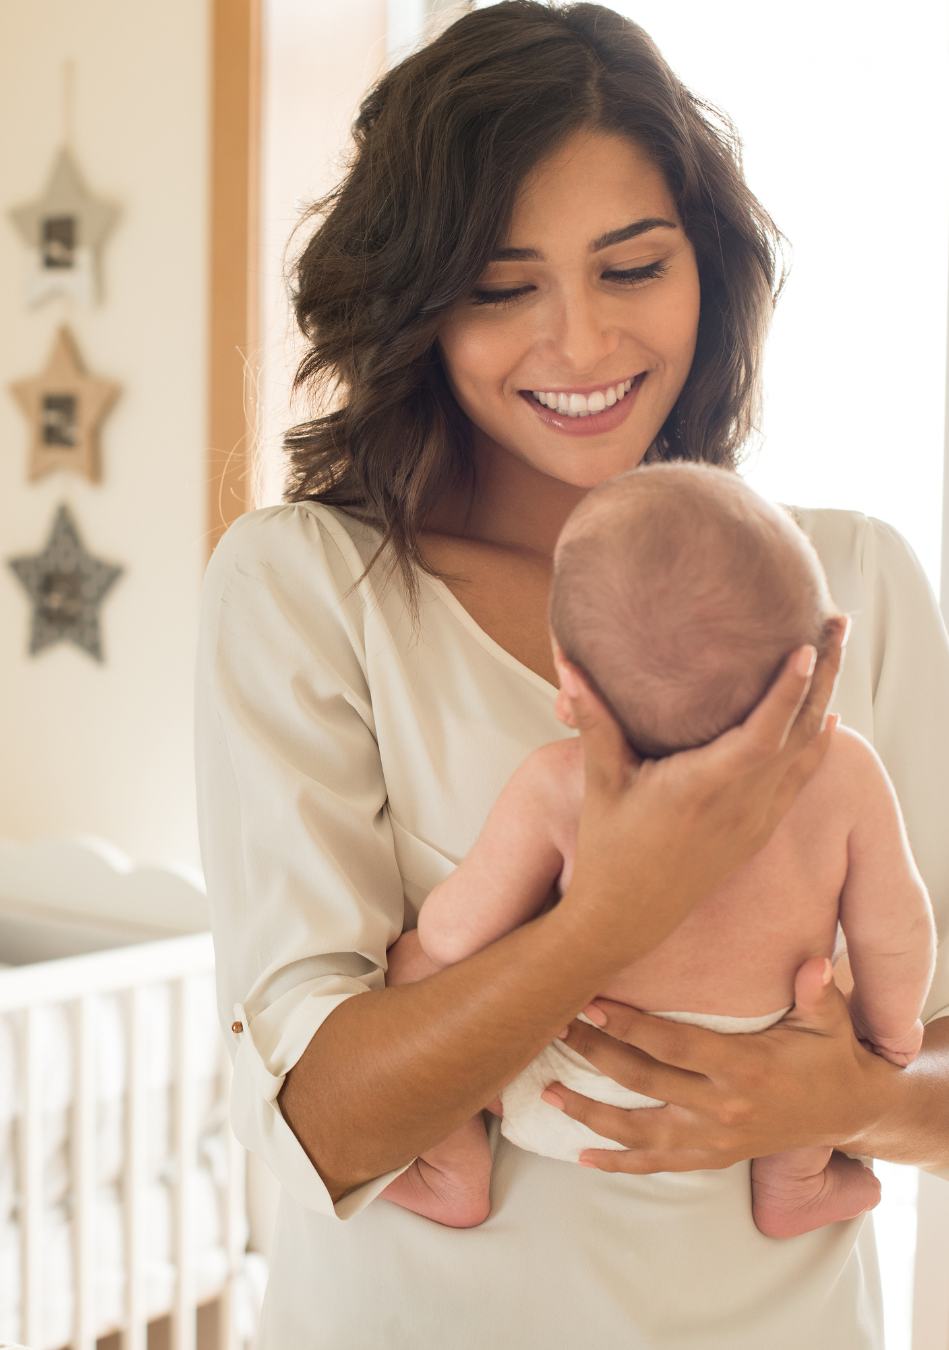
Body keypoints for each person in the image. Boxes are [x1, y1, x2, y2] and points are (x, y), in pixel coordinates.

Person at [195, 4, 949, 1345]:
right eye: (500, 287)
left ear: (706, 266)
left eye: (631, 267)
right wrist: (607, 916)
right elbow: (323, 1115)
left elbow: (932, 1035)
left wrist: (838, 1102)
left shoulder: (854, 586)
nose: (583, 344)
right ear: (417, 305)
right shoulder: (307, 587)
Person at [380, 463, 936, 1239]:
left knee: (411, 970)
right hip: (767, 1086)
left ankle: (453, 1171)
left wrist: (440, 941)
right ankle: (795, 1185)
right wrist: (884, 1042)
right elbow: (898, 929)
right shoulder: (841, 775)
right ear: (820, 651)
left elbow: (453, 937)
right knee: (825, 1005)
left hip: (565, 1091)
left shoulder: (557, 786)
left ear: (569, 686)